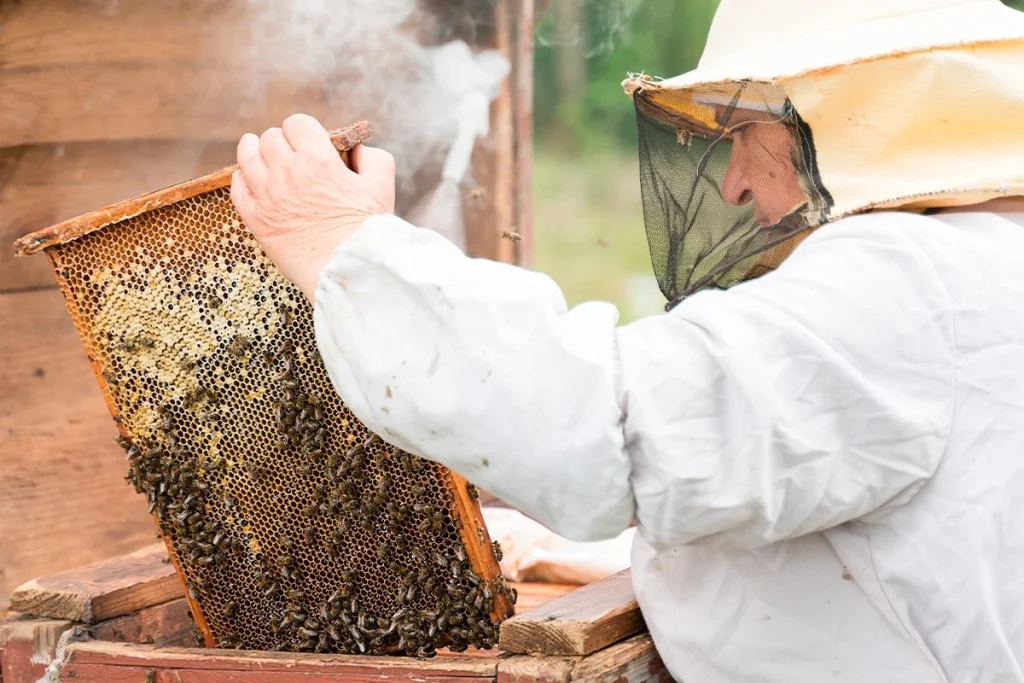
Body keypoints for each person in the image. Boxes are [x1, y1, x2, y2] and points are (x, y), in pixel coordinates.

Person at [229, 0, 1024, 680]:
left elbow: (597, 425)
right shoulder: (985, 260)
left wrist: (344, 245)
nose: (732, 183)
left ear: (851, 118)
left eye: (744, 131)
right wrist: (582, 554)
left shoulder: (904, 283)